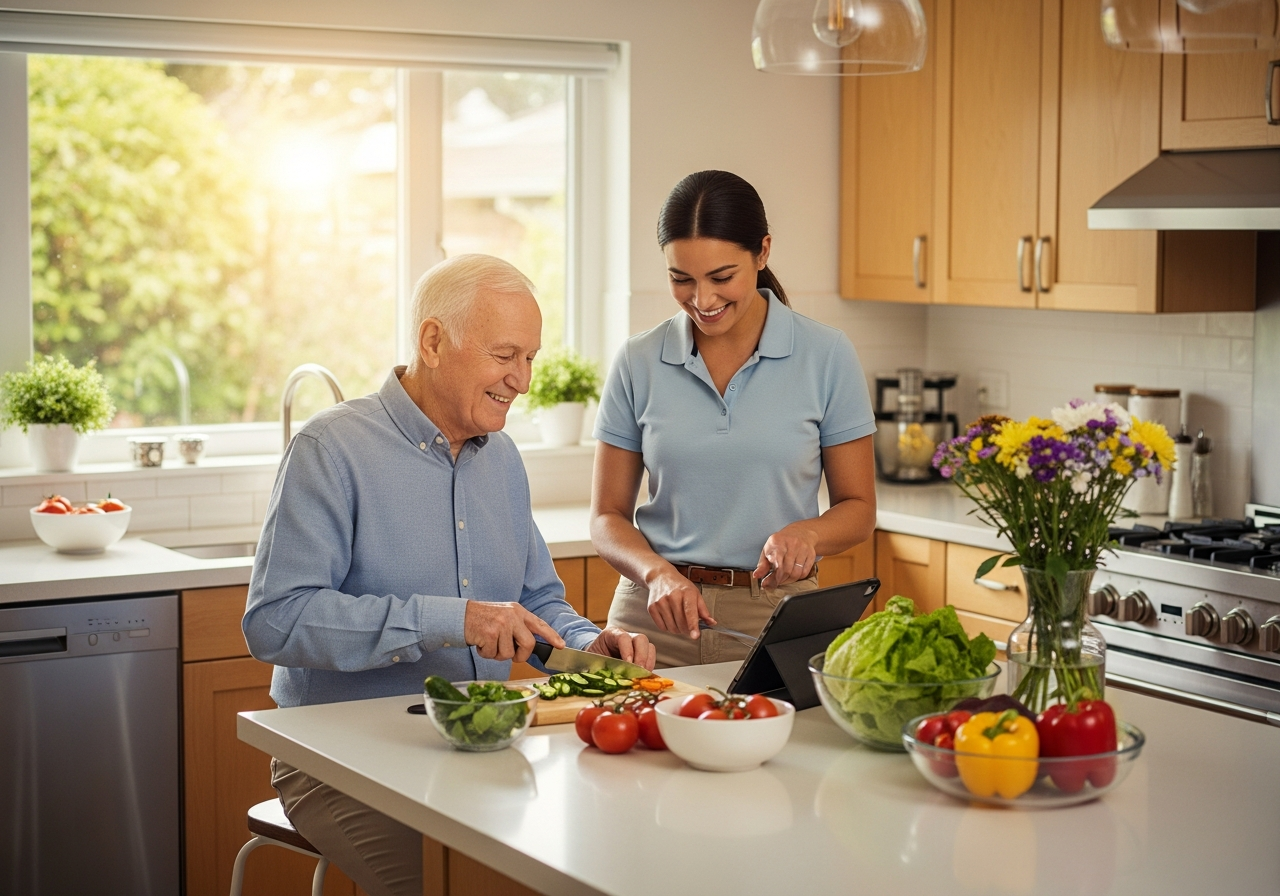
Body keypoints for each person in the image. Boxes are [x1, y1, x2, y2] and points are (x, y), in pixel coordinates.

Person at [244, 254, 655, 896]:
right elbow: (275, 622)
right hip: (341, 759)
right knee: (460, 885)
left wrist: (585, 643)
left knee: (587, 863)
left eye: (531, 358)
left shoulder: (504, 460)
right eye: (505, 355)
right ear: (433, 342)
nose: (522, 380)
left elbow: (536, 600)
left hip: (482, 749)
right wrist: (452, 620)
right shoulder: (331, 449)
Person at [590, 170, 877, 668]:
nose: (702, 300)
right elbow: (605, 517)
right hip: (653, 617)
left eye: (722, 278)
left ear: (762, 252)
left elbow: (858, 507)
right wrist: (656, 574)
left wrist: (809, 534)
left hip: (776, 614)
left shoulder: (826, 355)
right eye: (681, 279)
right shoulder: (639, 359)